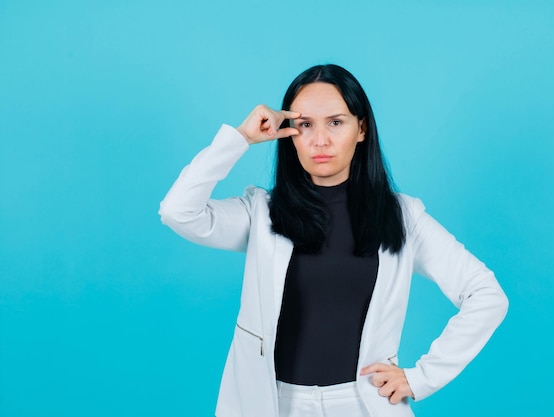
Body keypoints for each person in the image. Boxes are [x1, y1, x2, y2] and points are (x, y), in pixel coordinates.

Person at [159, 64, 508, 417]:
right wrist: (241, 139)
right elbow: (178, 212)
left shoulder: (402, 217)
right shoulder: (262, 213)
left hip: (362, 405)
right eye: (305, 125)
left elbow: (486, 293)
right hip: (272, 404)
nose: (320, 140)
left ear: (361, 129)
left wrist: (421, 378)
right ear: (288, 131)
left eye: (336, 122)